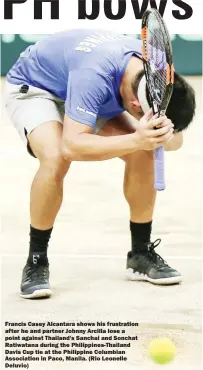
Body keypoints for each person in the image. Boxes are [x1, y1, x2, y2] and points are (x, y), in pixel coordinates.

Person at [4, 30, 196, 299]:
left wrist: (154, 139)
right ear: (133, 105)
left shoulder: (157, 70)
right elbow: (72, 146)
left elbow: (175, 142)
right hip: (37, 88)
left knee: (145, 151)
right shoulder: (93, 75)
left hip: (95, 88)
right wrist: (139, 138)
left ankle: (140, 254)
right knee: (56, 158)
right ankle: (36, 260)